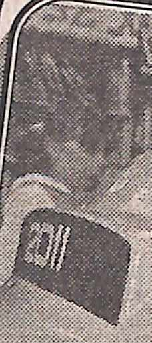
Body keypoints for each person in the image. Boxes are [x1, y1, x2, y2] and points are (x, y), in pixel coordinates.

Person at [0, 99, 109, 279]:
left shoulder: (52, 196)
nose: (100, 162)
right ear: (54, 147)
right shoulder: (33, 198)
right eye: (91, 149)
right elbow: (6, 272)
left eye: (104, 152)